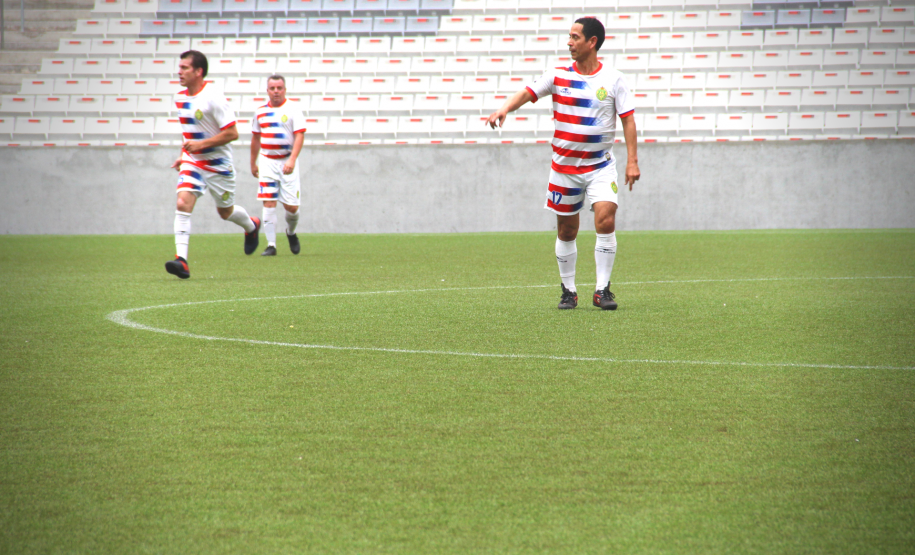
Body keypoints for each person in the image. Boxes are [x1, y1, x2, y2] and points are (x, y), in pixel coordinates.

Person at [486, 17, 640, 310]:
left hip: (599, 165)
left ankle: (602, 289)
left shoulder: (614, 79)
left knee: (605, 220)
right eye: (569, 37)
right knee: (566, 231)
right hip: (564, 168)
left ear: (592, 42)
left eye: (575, 37)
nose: (569, 42)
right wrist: (504, 108)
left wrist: (632, 161)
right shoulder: (557, 75)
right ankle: (568, 290)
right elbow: (526, 93)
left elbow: (628, 120)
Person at [165, 50, 260, 280]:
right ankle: (182, 261)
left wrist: (202, 144)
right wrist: (184, 153)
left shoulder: (214, 97)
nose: (180, 71)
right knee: (182, 202)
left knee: (225, 212)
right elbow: (188, 133)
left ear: (199, 71)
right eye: (180, 67)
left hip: (218, 164)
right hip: (193, 162)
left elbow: (232, 133)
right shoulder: (180, 98)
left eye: (185, 68)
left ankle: (252, 226)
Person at [250, 74, 306, 256]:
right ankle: (271, 244)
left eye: (279, 88)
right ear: (267, 90)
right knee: (268, 203)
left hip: (287, 161)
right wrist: (253, 162)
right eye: (272, 88)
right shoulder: (259, 112)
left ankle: (291, 232)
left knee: (291, 208)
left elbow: (299, 135)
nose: (276, 91)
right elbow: (256, 138)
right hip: (267, 162)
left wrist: (292, 159)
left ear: (284, 89)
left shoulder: (293, 109)